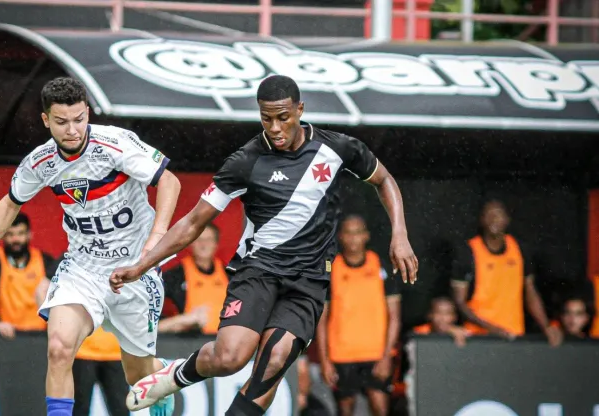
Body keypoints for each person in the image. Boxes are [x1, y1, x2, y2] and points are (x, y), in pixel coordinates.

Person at [110, 75, 418, 415]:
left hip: (308, 280)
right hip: (258, 271)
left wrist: (399, 234)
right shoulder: (245, 162)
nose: (274, 127)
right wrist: (142, 264)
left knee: (273, 362)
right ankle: (172, 376)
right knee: (230, 358)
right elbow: (194, 222)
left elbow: (384, 179)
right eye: (265, 117)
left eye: (283, 117)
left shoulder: (338, 148)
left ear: (300, 110)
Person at [0, 77, 182, 416]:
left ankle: (158, 376)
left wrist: (156, 239)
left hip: (135, 268)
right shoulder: (41, 162)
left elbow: (169, 180)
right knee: (60, 348)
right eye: (62, 122)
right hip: (84, 268)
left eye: (80, 119)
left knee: (138, 376)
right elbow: (10, 203)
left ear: (88, 113)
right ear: (46, 120)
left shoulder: (115, 143)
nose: (73, 130)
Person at [316, 215, 401, 416]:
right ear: (341, 237)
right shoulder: (331, 268)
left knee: (381, 409)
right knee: (345, 411)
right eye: (348, 233)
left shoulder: (381, 265)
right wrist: (324, 360)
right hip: (341, 355)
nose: (353, 238)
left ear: (366, 236)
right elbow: (321, 319)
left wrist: (387, 356)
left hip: (376, 354)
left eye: (358, 232)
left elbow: (395, 315)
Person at [451, 200, 562, 346]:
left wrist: (546, 325)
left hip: (513, 334)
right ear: (482, 219)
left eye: (498, 215)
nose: (494, 219)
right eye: (489, 215)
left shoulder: (519, 249)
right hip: (478, 336)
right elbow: (459, 301)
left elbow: (530, 293)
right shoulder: (468, 251)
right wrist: (491, 328)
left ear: (507, 219)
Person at [36, 256, 130, 416]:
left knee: (121, 410)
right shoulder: (76, 252)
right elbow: (41, 289)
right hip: (83, 351)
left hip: (115, 352)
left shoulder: (126, 254)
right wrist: (58, 325)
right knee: (79, 410)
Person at [0, 212, 57, 339]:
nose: (15, 240)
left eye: (20, 234)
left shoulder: (44, 260)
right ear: (3, 236)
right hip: (4, 334)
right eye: (10, 234)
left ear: (30, 235)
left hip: (39, 335)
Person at [160, 223, 229, 335]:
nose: (203, 245)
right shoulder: (176, 275)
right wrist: (184, 320)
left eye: (209, 240)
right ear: (191, 243)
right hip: (189, 342)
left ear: (216, 244)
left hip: (224, 342)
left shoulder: (229, 274)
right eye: (199, 240)